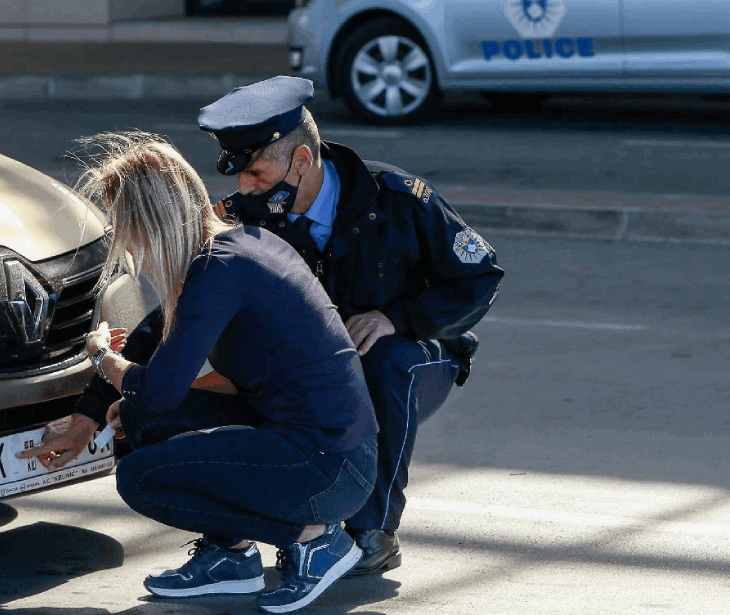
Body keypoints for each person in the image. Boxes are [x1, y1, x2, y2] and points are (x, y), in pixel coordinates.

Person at [17, 131, 379, 614]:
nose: (126, 244)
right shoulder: (240, 245)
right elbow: (152, 342)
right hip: (327, 448)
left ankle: (315, 541)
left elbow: (161, 388)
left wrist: (102, 355)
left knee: (142, 480)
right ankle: (231, 558)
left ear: (153, 221)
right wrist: (87, 416)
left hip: (330, 468)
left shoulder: (217, 271)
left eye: (127, 226)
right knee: (141, 418)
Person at [198, 76, 506, 576]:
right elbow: (191, 305)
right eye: (240, 174)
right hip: (313, 365)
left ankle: (372, 531)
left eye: (256, 171)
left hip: (414, 356)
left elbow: (479, 277)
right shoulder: (243, 217)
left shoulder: (398, 198)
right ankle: (235, 539)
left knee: (385, 361)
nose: (244, 187)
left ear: (302, 160)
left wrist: (396, 317)